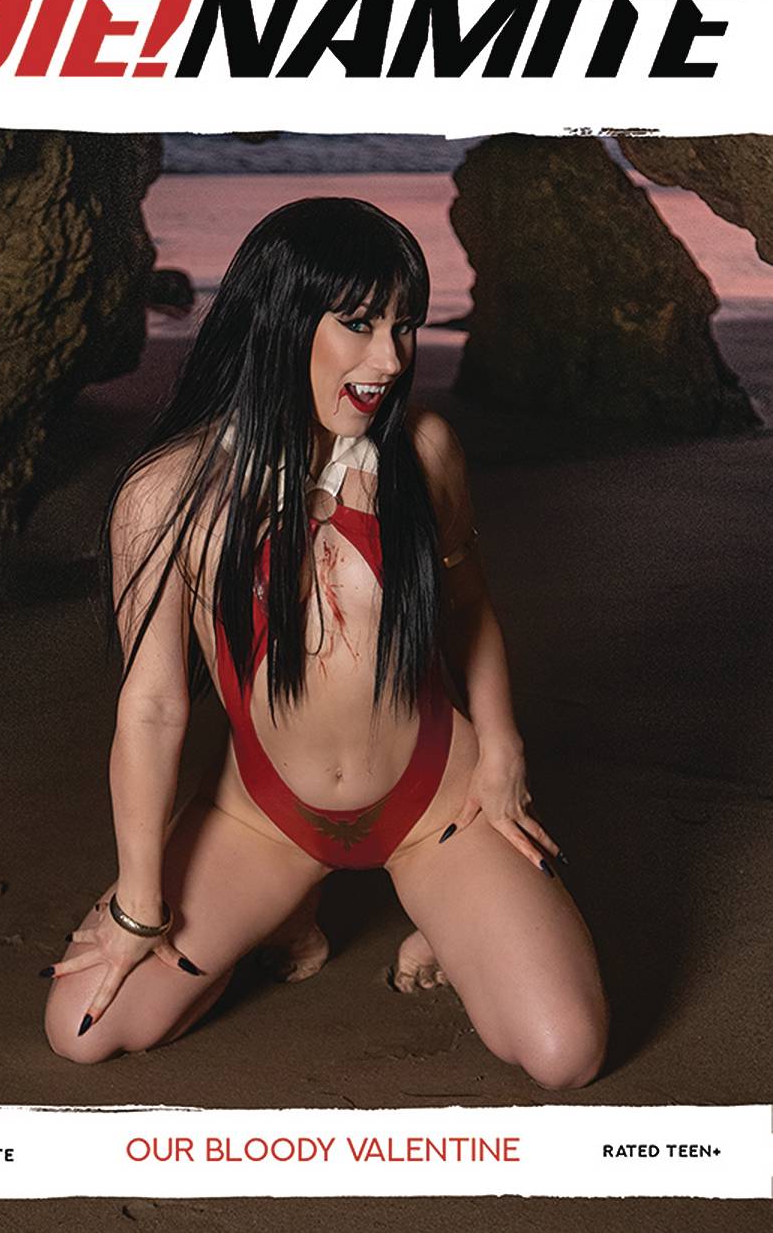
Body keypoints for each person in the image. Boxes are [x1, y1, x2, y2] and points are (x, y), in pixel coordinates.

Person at [43, 197, 608, 1086]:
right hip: (262, 818)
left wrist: (502, 750)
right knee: (82, 1031)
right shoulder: (166, 495)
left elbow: (469, 609)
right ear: (280, 320)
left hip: (437, 805)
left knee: (563, 1056)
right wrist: (139, 907)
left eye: (404, 326)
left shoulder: (424, 452)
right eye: (359, 323)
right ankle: (285, 910)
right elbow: (151, 709)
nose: (391, 359)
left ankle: (447, 917)